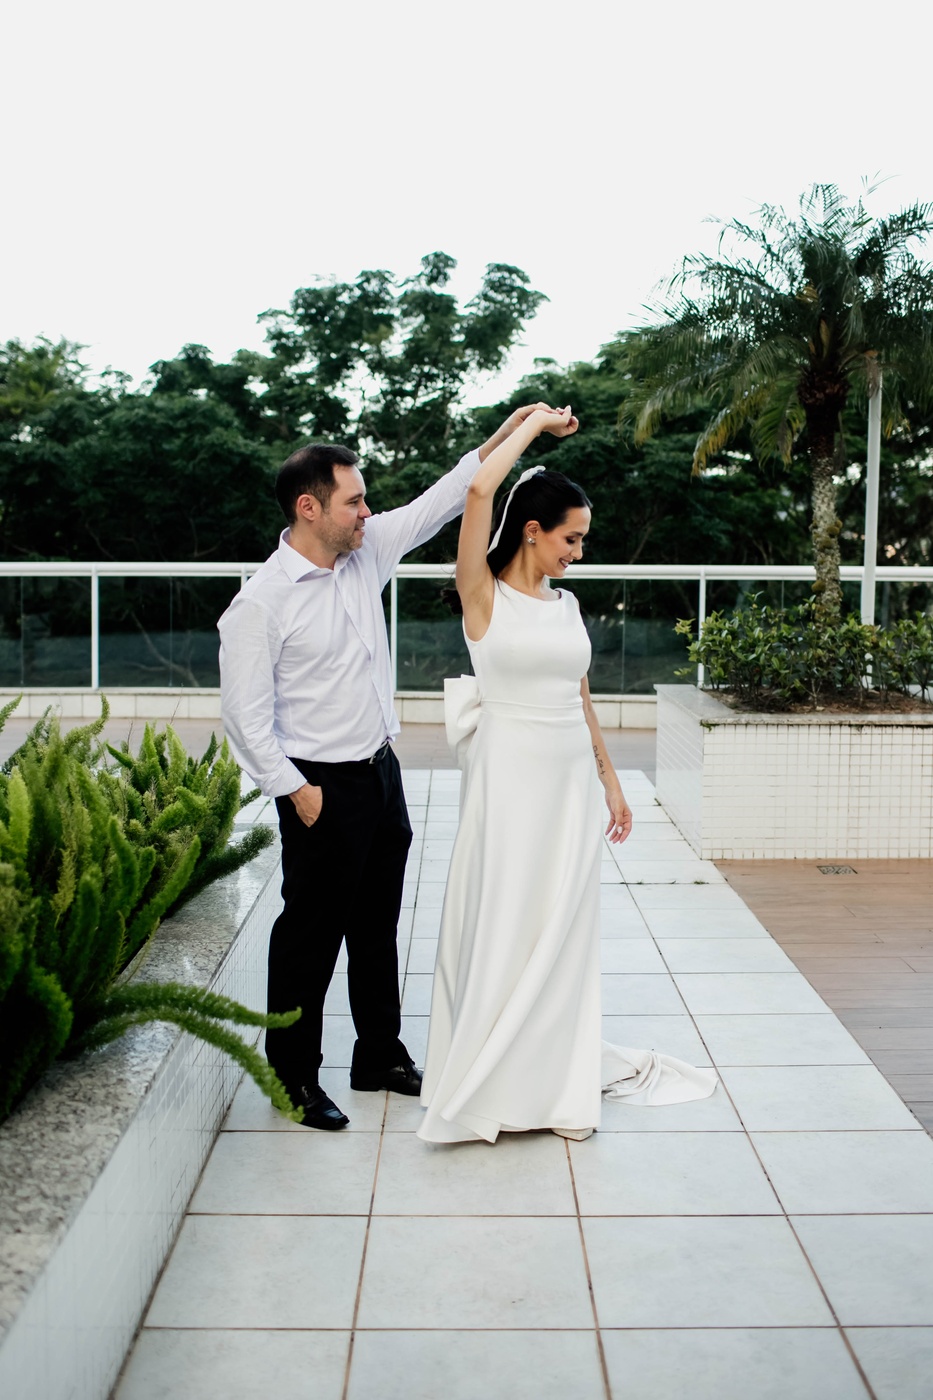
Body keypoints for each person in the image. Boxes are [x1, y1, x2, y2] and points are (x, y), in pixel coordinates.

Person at [218, 405, 566, 1130]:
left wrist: (519, 426)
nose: (367, 512)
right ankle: (292, 1078)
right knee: (309, 938)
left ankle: (378, 1055)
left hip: (379, 774)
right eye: (353, 501)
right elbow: (246, 720)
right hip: (318, 786)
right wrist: (297, 793)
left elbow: (449, 494)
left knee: (376, 928)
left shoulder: (366, 551)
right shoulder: (261, 604)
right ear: (308, 508)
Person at [419, 406, 717, 1143]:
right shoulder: (482, 594)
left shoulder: (568, 604)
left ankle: (556, 1090)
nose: (579, 552)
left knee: (563, 931)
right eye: (571, 538)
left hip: (566, 787)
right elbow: (479, 491)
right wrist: (531, 429)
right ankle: (493, 1081)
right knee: (509, 922)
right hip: (507, 784)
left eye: (582, 540)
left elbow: (580, 698)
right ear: (532, 530)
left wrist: (609, 781)